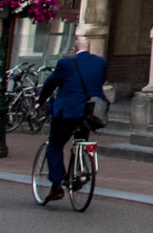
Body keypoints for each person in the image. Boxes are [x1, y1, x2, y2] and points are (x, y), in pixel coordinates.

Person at [42, 34, 108, 198]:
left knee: (55, 146)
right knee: (80, 140)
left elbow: (51, 83)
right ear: (89, 48)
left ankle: (57, 185)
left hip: (68, 112)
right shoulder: (100, 62)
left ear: (74, 49)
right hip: (90, 113)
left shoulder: (65, 64)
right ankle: (80, 170)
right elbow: (101, 81)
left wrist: (41, 99)